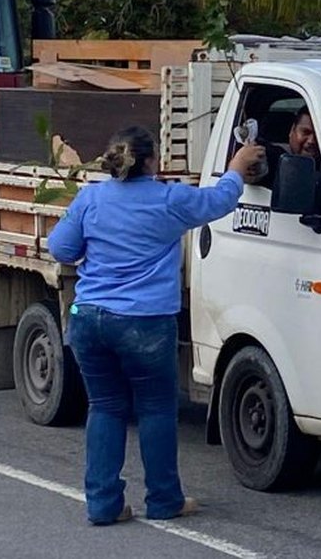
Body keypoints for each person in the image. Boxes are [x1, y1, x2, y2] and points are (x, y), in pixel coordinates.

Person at [47, 126, 265, 526]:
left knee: (105, 407)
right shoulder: (170, 199)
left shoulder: (91, 198)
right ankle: (164, 500)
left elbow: (60, 248)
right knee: (155, 409)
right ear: (152, 162)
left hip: (91, 319)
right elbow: (217, 202)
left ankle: (102, 505)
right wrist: (236, 167)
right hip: (146, 322)